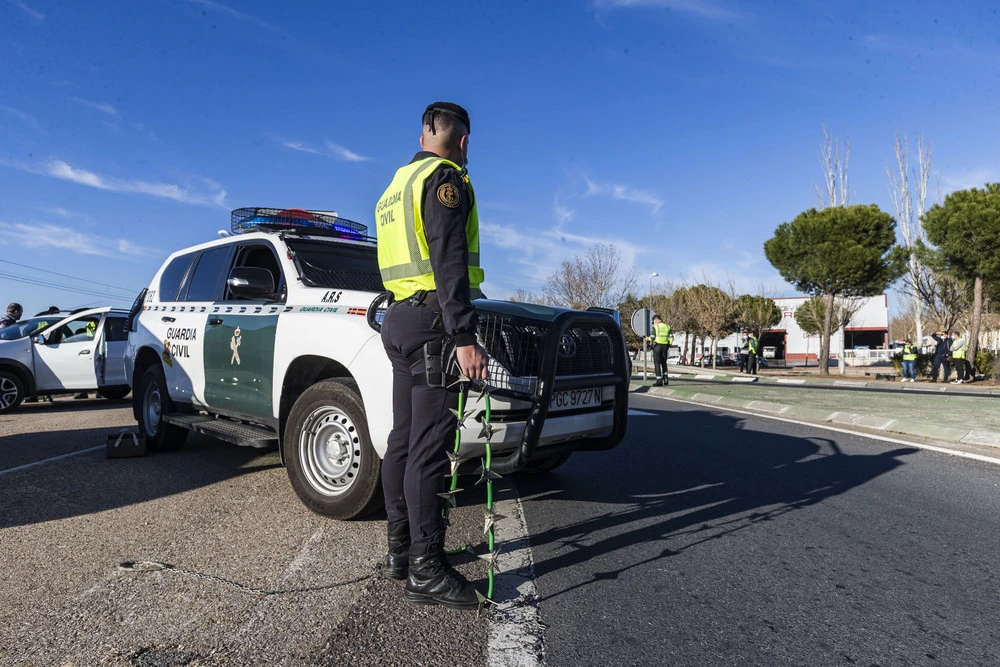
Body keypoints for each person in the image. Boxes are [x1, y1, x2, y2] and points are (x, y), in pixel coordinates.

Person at [375, 102, 488, 610]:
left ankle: (401, 550)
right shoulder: (446, 179)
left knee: (402, 439)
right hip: (433, 325)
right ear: (462, 141)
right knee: (427, 447)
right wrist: (463, 335)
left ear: (423, 137)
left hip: (399, 318)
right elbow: (448, 259)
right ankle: (426, 569)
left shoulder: (394, 186)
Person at [646, 314, 672, 386]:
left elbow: (652, 337)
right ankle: (666, 379)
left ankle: (659, 381)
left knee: (657, 363)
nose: (653, 323)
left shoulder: (655, 327)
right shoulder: (667, 326)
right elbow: (671, 337)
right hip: (665, 346)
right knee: (664, 363)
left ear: (656, 320)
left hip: (657, 346)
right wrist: (669, 344)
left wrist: (647, 338)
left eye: (653, 321)